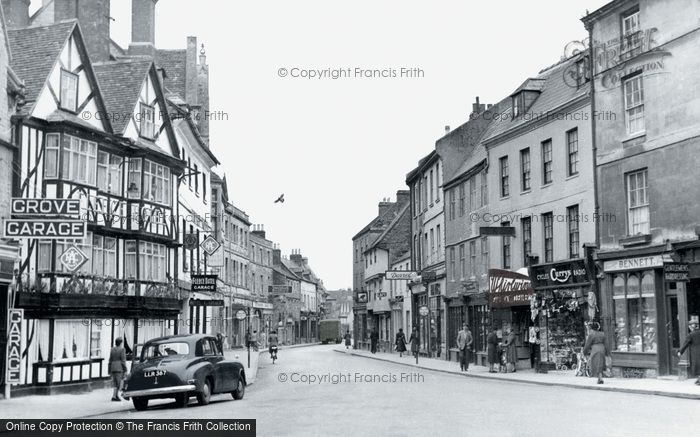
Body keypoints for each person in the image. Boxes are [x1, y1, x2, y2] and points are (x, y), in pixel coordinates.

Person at [678, 320, 700, 385]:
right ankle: (699, 379)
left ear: (691, 327)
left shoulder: (691, 335)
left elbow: (685, 344)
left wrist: (680, 352)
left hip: (696, 353)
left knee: (697, 366)